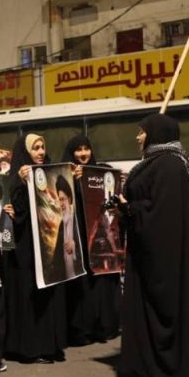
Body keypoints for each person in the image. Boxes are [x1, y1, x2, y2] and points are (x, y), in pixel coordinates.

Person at [114, 113, 189, 377]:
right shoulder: (159, 162)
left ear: (156, 134)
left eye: (142, 131)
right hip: (154, 253)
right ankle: (155, 371)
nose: (138, 137)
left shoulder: (169, 165)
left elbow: (161, 214)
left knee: (166, 312)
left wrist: (129, 208)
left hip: (164, 258)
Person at [4, 133, 67, 364]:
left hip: (47, 246)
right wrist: (22, 185)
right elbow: (15, 212)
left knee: (48, 295)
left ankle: (50, 344)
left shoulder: (49, 175)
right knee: (29, 295)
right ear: (25, 152)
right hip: (25, 252)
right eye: (35, 148)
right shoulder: (14, 179)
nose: (41, 152)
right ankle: (31, 348)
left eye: (42, 147)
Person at [62, 134, 121, 346]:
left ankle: (106, 326)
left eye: (86, 148)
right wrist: (73, 181)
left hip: (99, 238)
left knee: (103, 283)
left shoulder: (100, 170)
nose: (83, 153)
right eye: (78, 150)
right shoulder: (65, 174)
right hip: (78, 239)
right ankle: (82, 329)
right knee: (82, 285)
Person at [49, 174, 85, 284]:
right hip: (66, 281)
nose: (61, 204)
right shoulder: (62, 224)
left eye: (63, 199)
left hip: (79, 280)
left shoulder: (78, 219)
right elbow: (57, 259)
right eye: (59, 200)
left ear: (69, 199)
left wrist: (75, 246)